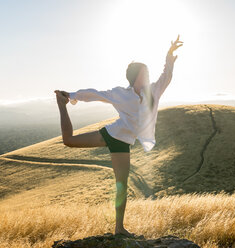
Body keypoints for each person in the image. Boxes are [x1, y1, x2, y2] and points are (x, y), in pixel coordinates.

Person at [54, 35, 183, 238]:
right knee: (68, 141)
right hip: (112, 134)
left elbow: (166, 76)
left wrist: (168, 57)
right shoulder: (121, 93)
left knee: (121, 185)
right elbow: (96, 94)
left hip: (124, 143)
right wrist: (71, 95)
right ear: (136, 76)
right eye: (145, 73)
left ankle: (119, 228)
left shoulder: (154, 91)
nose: (148, 76)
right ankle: (61, 105)